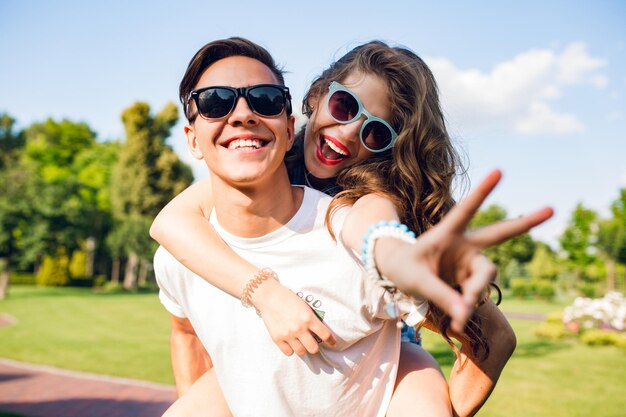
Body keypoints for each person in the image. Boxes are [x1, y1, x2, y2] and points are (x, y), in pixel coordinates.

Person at [152, 37, 552, 417]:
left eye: (375, 131)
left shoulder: (367, 200)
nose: (345, 134)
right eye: (344, 106)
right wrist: (266, 292)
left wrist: (391, 254)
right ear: (318, 96)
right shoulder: (262, 153)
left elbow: (369, 227)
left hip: (385, 348)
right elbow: (171, 223)